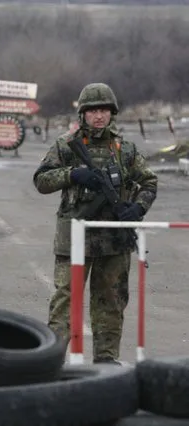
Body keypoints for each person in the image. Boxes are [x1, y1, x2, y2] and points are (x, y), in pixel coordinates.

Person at [33, 82, 158, 364]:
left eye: (103, 110)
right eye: (93, 111)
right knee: (64, 302)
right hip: (74, 239)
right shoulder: (67, 145)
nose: (98, 116)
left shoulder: (124, 149)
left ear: (111, 113)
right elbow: (41, 180)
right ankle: (50, 363)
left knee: (112, 302)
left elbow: (149, 182)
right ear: (83, 114)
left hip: (113, 240)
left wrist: (137, 208)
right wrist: (72, 174)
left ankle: (106, 362)